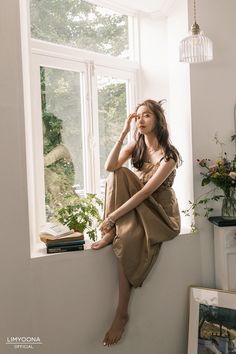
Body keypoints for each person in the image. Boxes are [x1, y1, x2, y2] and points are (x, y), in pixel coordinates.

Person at [91, 99, 182, 346]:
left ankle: (121, 312)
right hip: (138, 206)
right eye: (138, 116)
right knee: (117, 173)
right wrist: (122, 132)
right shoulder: (136, 145)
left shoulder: (169, 155)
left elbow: (144, 194)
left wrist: (112, 217)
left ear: (159, 121)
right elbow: (110, 166)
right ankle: (112, 233)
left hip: (160, 213)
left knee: (127, 238)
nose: (140, 120)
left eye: (147, 116)